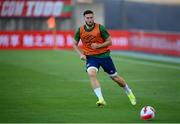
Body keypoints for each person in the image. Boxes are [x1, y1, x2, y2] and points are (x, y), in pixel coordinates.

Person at [73, 10, 136, 106]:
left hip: (104, 56)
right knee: (91, 74)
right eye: (87, 18)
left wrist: (98, 46)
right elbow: (74, 44)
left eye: (91, 17)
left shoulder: (100, 28)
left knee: (115, 78)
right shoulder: (80, 30)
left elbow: (110, 42)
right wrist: (81, 54)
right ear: (84, 19)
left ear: (93, 18)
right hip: (91, 58)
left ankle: (128, 91)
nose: (90, 19)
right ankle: (101, 99)